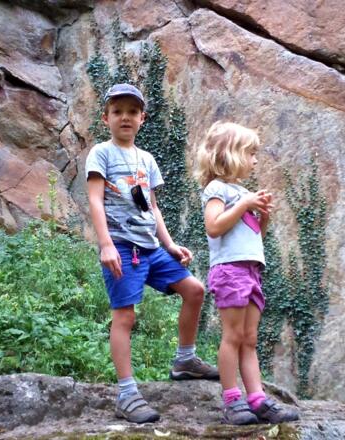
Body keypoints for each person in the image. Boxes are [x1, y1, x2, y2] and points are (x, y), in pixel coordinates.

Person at [85, 84, 219, 424]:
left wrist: (170, 244)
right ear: (106, 118)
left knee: (195, 290)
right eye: (118, 111)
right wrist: (105, 244)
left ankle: (185, 361)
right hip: (122, 248)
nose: (125, 117)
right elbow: (95, 200)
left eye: (132, 111)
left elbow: (152, 207)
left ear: (143, 118)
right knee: (124, 317)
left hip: (151, 247)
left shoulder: (146, 159)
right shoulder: (101, 153)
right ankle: (127, 394)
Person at [194, 121, 300, 425]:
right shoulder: (217, 190)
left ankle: (257, 399)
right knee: (233, 335)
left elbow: (253, 237)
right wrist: (244, 204)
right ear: (230, 155)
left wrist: (261, 216)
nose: (255, 160)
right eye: (251, 153)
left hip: (251, 270)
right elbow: (214, 226)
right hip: (230, 271)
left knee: (250, 338)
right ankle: (232, 398)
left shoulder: (241, 193)